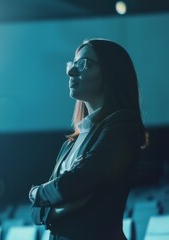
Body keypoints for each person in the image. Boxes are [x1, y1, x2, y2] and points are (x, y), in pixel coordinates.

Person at [29, 38, 148, 240]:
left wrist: (35, 194)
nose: (71, 71)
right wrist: (55, 208)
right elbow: (36, 213)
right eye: (73, 64)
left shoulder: (121, 126)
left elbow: (71, 186)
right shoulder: (71, 143)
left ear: (111, 74)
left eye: (84, 64)